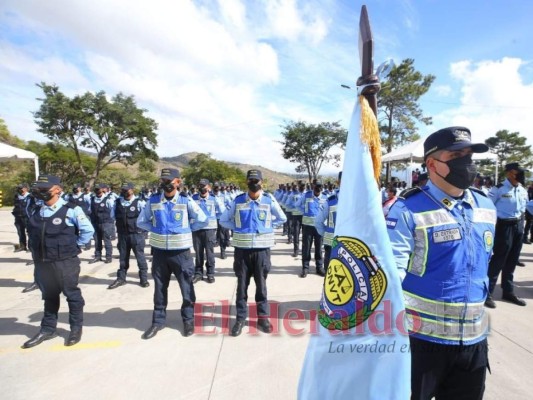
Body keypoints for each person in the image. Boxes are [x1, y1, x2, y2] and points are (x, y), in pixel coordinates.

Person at [386, 127, 496, 399]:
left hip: (473, 342)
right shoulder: (407, 210)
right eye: (457, 155)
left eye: (469, 155)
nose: (466, 163)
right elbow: (390, 278)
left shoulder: (486, 207)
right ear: (432, 164)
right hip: (421, 343)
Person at [22, 175, 94, 348]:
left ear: (57, 190)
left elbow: (87, 230)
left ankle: (76, 329)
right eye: (39, 188)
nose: (40, 191)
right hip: (42, 262)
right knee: (49, 296)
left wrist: (76, 247)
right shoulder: (36, 210)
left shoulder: (71, 209)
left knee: (72, 295)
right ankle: (48, 329)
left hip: (65, 262)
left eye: (44, 189)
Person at [137, 168, 207, 339]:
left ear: (178, 182)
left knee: (186, 288)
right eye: (163, 180)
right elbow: (141, 221)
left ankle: (188, 320)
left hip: (181, 253)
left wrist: (188, 230)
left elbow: (202, 219)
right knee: (160, 288)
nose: (166, 183)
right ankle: (158, 322)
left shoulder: (185, 201)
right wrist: (156, 229)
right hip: (160, 253)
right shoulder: (153, 201)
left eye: (169, 180)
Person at [219, 169, 287, 337]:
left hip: (262, 251)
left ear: (261, 182)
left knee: (261, 286)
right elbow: (223, 220)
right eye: (251, 180)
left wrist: (268, 228)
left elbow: (282, 218)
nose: (253, 183)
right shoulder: (238, 200)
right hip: (242, 252)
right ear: (246, 182)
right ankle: (240, 318)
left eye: (256, 181)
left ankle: (262, 318)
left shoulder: (268, 200)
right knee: (242, 287)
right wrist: (238, 228)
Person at [485, 162, 529, 307]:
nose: (521, 175)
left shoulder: (522, 189)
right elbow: (488, 208)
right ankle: (487, 293)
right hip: (504, 226)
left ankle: (508, 291)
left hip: (518, 225)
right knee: (498, 260)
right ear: (510, 172)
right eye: (518, 172)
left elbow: (524, 207)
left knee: (512, 259)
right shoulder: (498, 189)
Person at [108, 182, 149, 289]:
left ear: (132, 190)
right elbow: (112, 217)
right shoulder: (117, 203)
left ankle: (143, 279)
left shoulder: (139, 202)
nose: (124, 192)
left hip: (136, 235)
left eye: (126, 190)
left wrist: (143, 232)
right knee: (123, 258)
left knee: (140, 257)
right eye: (123, 190)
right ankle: (121, 278)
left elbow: (146, 218)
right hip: (122, 235)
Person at [191, 179, 224, 283]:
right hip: (196, 229)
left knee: (210, 253)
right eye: (200, 186)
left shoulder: (214, 199)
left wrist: (214, 220)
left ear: (208, 187)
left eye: (204, 186)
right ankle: (198, 273)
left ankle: (210, 273)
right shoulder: (193, 198)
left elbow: (222, 212)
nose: (202, 188)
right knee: (198, 253)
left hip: (209, 230)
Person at [298, 180, 327, 277]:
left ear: (322, 188)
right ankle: (305, 268)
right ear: (313, 187)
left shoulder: (325, 197)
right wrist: (305, 211)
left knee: (319, 248)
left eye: (320, 187)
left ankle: (319, 267)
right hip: (308, 226)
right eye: (316, 187)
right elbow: (297, 205)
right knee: (306, 247)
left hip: (320, 227)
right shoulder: (306, 195)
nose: (318, 189)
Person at [315, 172, 341, 272]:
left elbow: (318, 222)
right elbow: (318, 222)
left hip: (338, 245)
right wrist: (326, 234)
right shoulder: (331, 201)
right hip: (335, 245)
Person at [89, 183, 116, 264]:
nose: (97, 191)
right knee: (97, 241)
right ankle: (97, 256)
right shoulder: (92, 199)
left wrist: (112, 222)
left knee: (107, 240)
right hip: (96, 223)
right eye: (96, 189)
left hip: (106, 223)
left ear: (103, 189)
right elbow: (90, 210)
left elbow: (113, 211)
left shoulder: (108, 199)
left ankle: (108, 257)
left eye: (99, 189)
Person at [12, 183, 31, 252]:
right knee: (20, 232)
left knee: (30, 232)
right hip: (18, 217)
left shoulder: (30, 196)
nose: (20, 190)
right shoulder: (17, 196)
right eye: (19, 188)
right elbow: (15, 206)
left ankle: (30, 247)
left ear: (26, 188)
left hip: (27, 217)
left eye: (21, 188)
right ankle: (22, 246)